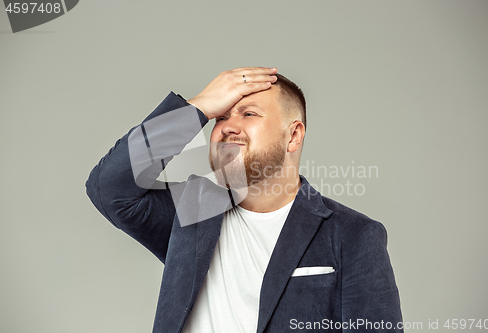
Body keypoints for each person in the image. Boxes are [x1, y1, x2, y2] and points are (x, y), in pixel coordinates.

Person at [86, 67, 404, 333]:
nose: (229, 127)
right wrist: (196, 108)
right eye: (219, 117)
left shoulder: (353, 235)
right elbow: (110, 188)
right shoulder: (192, 209)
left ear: (293, 135)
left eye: (248, 113)